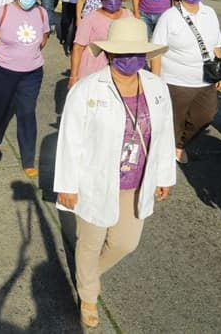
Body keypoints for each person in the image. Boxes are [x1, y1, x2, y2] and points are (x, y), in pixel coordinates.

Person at [54, 17, 175, 328]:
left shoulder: (157, 87)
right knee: (90, 242)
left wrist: (164, 175)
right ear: (108, 54)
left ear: (146, 56)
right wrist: (67, 185)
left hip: (137, 180)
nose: (129, 59)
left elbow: (163, 135)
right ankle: (89, 295)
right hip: (94, 179)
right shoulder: (86, 89)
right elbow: (70, 139)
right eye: (122, 53)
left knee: (125, 243)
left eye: (136, 53)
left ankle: (87, 276)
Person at [150, 0, 221, 164]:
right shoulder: (169, 17)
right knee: (174, 121)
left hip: (205, 80)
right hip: (176, 81)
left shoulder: (210, 13)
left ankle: (180, 144)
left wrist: (219, 71)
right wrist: (156, 81)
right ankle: (167, 154)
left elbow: (217, 44)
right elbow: (156, 51)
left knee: (205, 117)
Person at [0, 0, 49, 178]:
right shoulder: (2, 12)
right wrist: (4, 58)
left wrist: (27, 55)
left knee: (27, 113)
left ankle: (28, 158)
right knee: (0, 107)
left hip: (32, 73)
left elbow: (43, 38)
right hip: (3, 72)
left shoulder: (41, 13)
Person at [69, 0, 133, 88]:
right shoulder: (90, 19)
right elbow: (78, 48)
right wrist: (73, 76)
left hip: (121, 70)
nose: (113, 0)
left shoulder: (128, 15)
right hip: (94, 70)